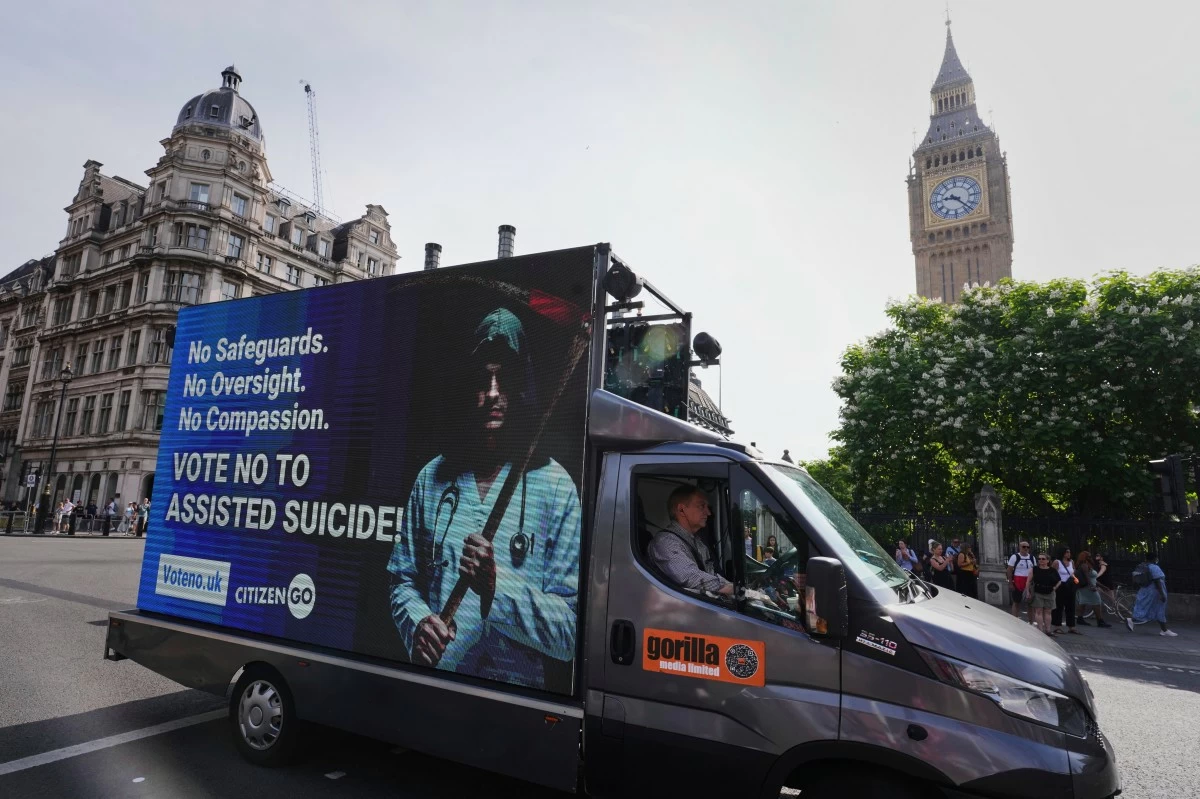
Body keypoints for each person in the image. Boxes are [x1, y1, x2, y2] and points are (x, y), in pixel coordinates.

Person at [388, 307, 583, 691]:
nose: (493, 393)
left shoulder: (556, 487)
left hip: (515, 705)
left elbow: (568, 635)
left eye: (504, 377)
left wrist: (498, 587)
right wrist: (418, 624)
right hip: (437, 690)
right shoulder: (432, 477)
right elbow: (401, 580)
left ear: (523, 386)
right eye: (483, 379)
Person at [648, 485, 733, 597]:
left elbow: (709, 573)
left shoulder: (698, 542)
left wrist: (731, 586)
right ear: (681, 510)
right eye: (702, 506)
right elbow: (690, 577)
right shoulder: (665, 543)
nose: (708, 513)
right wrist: (730, 588)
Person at [1127, 552, 1176, 636]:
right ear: (1155, 559)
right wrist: (1162, 594)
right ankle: (1132, 620)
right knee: (1156, 609)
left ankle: (1164, 630)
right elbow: (1157, 581)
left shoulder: (1142, 566)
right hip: (1155, 592)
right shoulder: (1154, 567)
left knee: (1152, 608)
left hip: (1145, 590)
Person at [1074, 551, 1110, 628]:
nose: (1091, 558)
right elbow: (1087, 578)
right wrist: (1091, 586)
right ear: (1084, 557)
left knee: (1082, 603)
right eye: (1089, 556)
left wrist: (1103, 586)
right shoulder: (1084, 565)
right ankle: (1100, 621)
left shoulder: (1087, 565)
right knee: (1097, 602)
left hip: (1087, 587)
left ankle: (1080, 619)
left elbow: (1093, 579)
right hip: (1088, 587)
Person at [1029, 553, 1060, 635]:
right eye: (1039, 559)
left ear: (1047, 560)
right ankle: (1040, 629)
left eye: (1043, 559)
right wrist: (1028, 591)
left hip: (1049, 592)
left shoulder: (1052, 570)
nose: (1041, 560)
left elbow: (1059, 580)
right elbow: (1028, 581)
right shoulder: (1034, 569)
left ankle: (1048, 630)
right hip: (1038, 592)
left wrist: (1055, 588)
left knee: (1048, 612)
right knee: (1038, 611)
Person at [1050, 546, 1079, 635]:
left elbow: (1073, 572)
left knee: (1071, 606)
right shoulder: (1057, 562)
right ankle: (1057, 626)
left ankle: (1071, 626)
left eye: (1069, 552)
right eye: (1067, 552)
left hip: (1070, 585)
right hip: (1061, 585)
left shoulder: (1071, 562)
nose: (1068, 554)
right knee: (1059, 606)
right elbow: (1052, 573)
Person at [1006, 541, 1036, 620]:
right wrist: (1010, 583)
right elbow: (1009, 570)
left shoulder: (1032, 557)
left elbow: (1035, 570)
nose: (1026, 548)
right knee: (1016, 602)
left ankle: (1031, 622)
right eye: (1024, 547)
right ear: (1019, 547)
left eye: (1027, 547)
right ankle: (1014, 621)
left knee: (1031, 604)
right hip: (1018, 581)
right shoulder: (1014, 557)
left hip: (1029, 582)